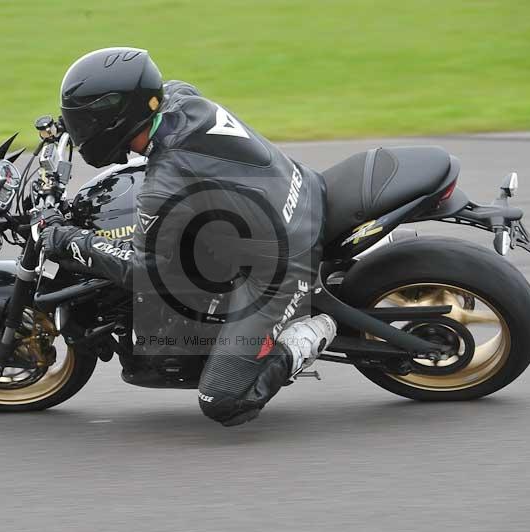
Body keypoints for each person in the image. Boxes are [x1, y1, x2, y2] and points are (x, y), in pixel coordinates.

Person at [37, 47, 336, 426]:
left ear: (113, 120)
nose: (81, 133)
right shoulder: (177, 95)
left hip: (287, 259)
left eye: (85, 123)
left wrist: (68, 240)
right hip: (296, 192)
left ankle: (306, 337)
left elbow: (142, 271)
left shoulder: (166, 180)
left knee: (222, 401)